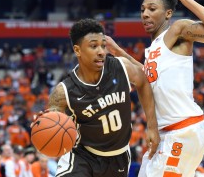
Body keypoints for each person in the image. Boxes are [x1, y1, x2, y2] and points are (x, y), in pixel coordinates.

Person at [105, 0, 204, 176]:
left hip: (182, 130)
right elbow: (146, 77)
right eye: (143, 9)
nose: (145, 14)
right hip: (168, 133)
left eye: (152, 9)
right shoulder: (153, 49)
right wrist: (118, 51)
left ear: (168, 13)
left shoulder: (177, 30)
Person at [31, 18, 160, 177]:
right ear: (77, 50)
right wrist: (43, 124)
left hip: (117, 156)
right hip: (82, 156)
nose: (101, 51)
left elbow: (144, 82)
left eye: (103, 46)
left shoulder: (121, 67)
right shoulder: (64, 91)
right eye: (93, 46)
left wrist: (152, 126)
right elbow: (51, 119)